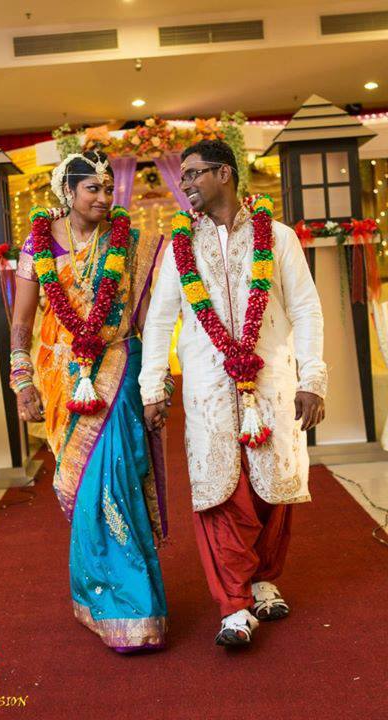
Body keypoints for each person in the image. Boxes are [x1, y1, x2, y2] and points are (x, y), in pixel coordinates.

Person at [139, 139, 327, 648]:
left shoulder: (280, 238)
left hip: (273, 381)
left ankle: (264, 579)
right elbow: (159, 322)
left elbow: (306, 309)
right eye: (185, 175)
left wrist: (312, 379)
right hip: (207, 388)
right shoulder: (179, 247)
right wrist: (154, 384)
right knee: (222, 491)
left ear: (225, 174)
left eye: (196, 173)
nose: (187, 184)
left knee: (274, 487)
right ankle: (234, 606)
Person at [10, 151, 168, 653]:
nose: (104, 198)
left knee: (115, 480)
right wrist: (22, 380)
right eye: (92, 190)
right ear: (67, 193)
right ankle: (95, 596)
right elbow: (20, 323)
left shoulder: (132, 243)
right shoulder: (37, 246)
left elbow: (150, 319)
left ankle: (135, 608)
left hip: (118, 368)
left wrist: (155, 385)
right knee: (80, 489)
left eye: (107, 189)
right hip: (61, 380)